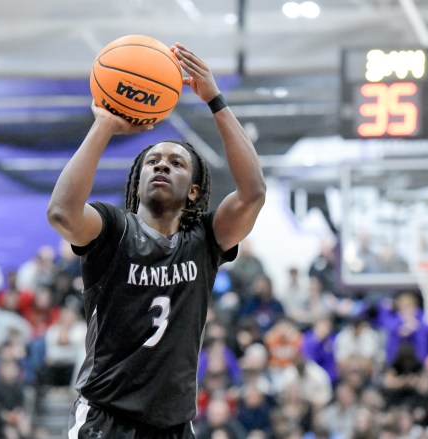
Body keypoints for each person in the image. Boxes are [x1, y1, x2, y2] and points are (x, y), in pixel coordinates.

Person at [46, 42, 266, 438]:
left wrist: (214, 99)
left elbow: (253, 193)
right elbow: (62, 213)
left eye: (177, 162)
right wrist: (104, 125)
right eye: (153, 161)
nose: (162, 163)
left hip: (174, 425)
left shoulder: (205, 240)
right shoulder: (113, 230)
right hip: (106, 418)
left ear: (195, 191)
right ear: (139, 179)